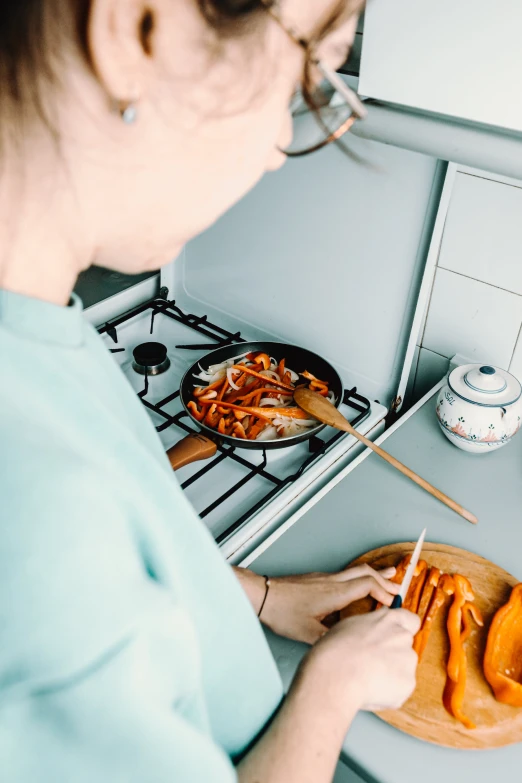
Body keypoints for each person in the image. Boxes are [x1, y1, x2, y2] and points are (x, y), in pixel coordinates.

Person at [0, 1, 420, 781]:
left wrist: (258, 598)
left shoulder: (37, 321)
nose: (278, 145)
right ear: (136, 34)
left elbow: (123, 572)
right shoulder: (32, 501)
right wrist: (332, 687)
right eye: (305, 67)